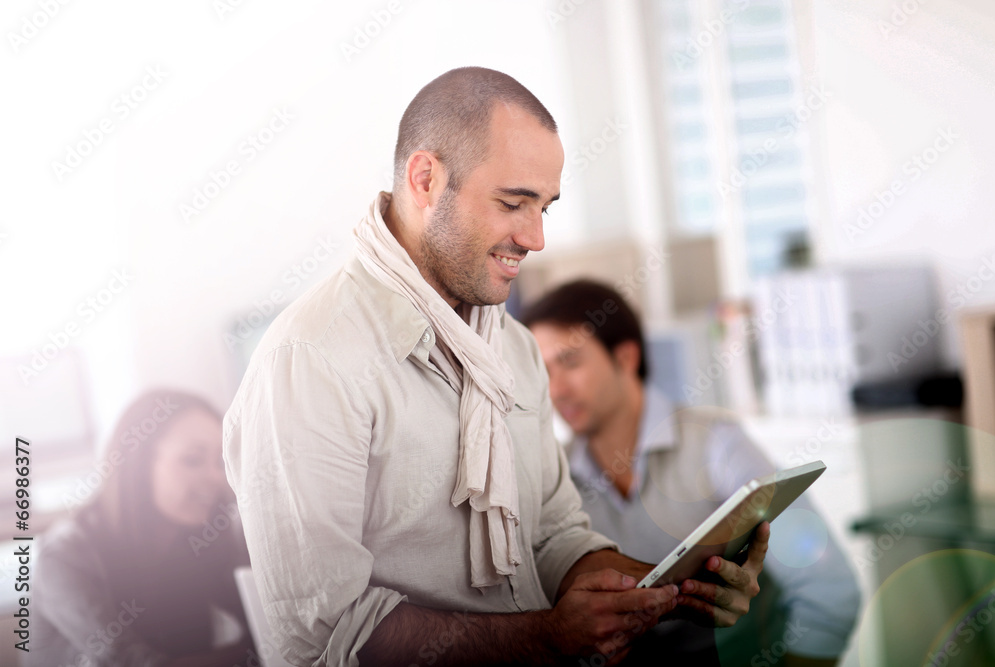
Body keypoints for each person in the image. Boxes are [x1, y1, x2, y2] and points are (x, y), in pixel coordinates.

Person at [223, 66, 770, 667]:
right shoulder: (309, 362)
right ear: (425, 179)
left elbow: (555, 535)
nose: (535, 239)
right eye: (513, 203)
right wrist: (545, 638)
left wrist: (672, 586)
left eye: (545, 208)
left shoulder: (511, 346)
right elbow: (328, 631)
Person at [521, 279, 862, 667]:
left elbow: (830, 591)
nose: (555, 389)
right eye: (542, 370)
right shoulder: (554, 478)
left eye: (570, 361)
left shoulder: (718, 446)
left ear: (626, 358)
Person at [32, 389, 256, 667]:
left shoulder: (205, 538)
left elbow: (263, 630)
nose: (216, 477)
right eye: (192, 459)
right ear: (136, 464)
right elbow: (132, 663)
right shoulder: (65, 555)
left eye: (220, 462)